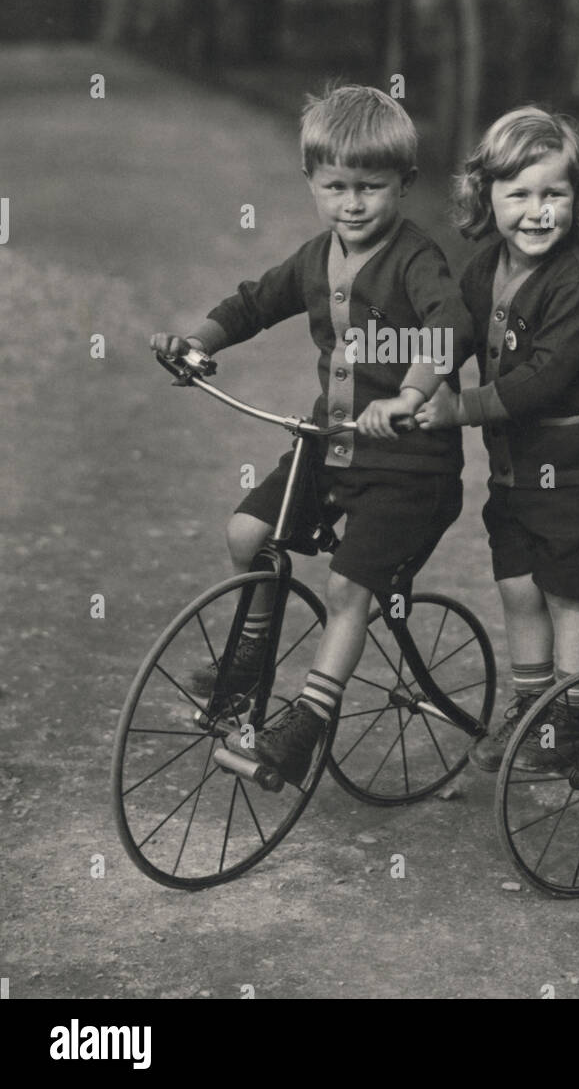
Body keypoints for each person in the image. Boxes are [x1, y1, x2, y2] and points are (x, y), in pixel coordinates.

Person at [151, 85, 468, 786]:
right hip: (334, 449)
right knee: (246, 533)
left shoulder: (417, 260)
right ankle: (249, 660)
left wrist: (413, 394)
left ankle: (306, 725)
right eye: (335, 187)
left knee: (350, 586)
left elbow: (450, 326)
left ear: (406, 185)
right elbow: (254, 302)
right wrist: (198, 343)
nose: (352, 204)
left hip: (411, 467)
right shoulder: (315, 257)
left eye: (371, 188)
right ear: (312, 183)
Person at [416, 105, 579, 771]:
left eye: (554, 194)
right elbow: (455, 330)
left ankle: (566, 724)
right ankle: (533, 705)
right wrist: (412, 378)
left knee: (568, 592)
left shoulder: (576, 286)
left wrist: (457, 408)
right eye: (519, 194)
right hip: (516, 477)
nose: (537, 211)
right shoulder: (485, 270)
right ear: (487, 198)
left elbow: (540, 383)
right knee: (518, 587)